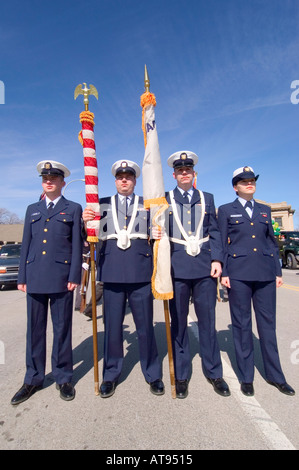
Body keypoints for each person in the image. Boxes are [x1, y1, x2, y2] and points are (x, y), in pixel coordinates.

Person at [83, 159, 164, 398]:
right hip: (112, 273)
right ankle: (110, 374)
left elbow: (157, 230)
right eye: (120, 177)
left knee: (145, 328)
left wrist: (157, 231)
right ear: (116, 180)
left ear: (135, 180)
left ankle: (153, 372)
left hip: (140, 272)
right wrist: (86, 221)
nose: (124, 180)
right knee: (113, 329)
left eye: (128, 176)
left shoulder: (147, 204)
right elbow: (89, 236)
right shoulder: (101, 204)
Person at [217, 166, 295, 397]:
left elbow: (271, 242)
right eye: (244, 181)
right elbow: (222, 242)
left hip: (265, 274)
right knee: (241, 326)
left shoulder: (264, 210)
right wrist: (224, 272)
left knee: (267, 326)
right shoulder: (225, 210)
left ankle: (276, 376)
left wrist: (277, 271)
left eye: (252, 180)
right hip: (238, 274)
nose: (249, 184)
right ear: (235, 187)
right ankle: (246, 377)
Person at [11, 160, 83, 405]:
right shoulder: (32, 208)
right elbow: (26, 246)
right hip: (35, 277)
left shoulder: (73, 208)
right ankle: (32, 379)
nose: (49, 181)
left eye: (53, 178)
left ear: (63, 183)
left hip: (62, 279)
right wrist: (22, 277)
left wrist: (75, 275)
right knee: (35, 331)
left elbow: (76, 247)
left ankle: (63, 377)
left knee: (62, 330)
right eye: (45, 178)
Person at [164, 151, 230, 399]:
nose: (184, 173)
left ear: (194, 174)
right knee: (179, 323)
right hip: (176, 268)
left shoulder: (207, 198)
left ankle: (214, 372)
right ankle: (181, 375)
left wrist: (217, 259)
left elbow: (215, 231)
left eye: (188, 170)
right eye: (180, 170)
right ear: (174, 174)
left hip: (204, 268)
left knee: (208, 322)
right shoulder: (165, 198)